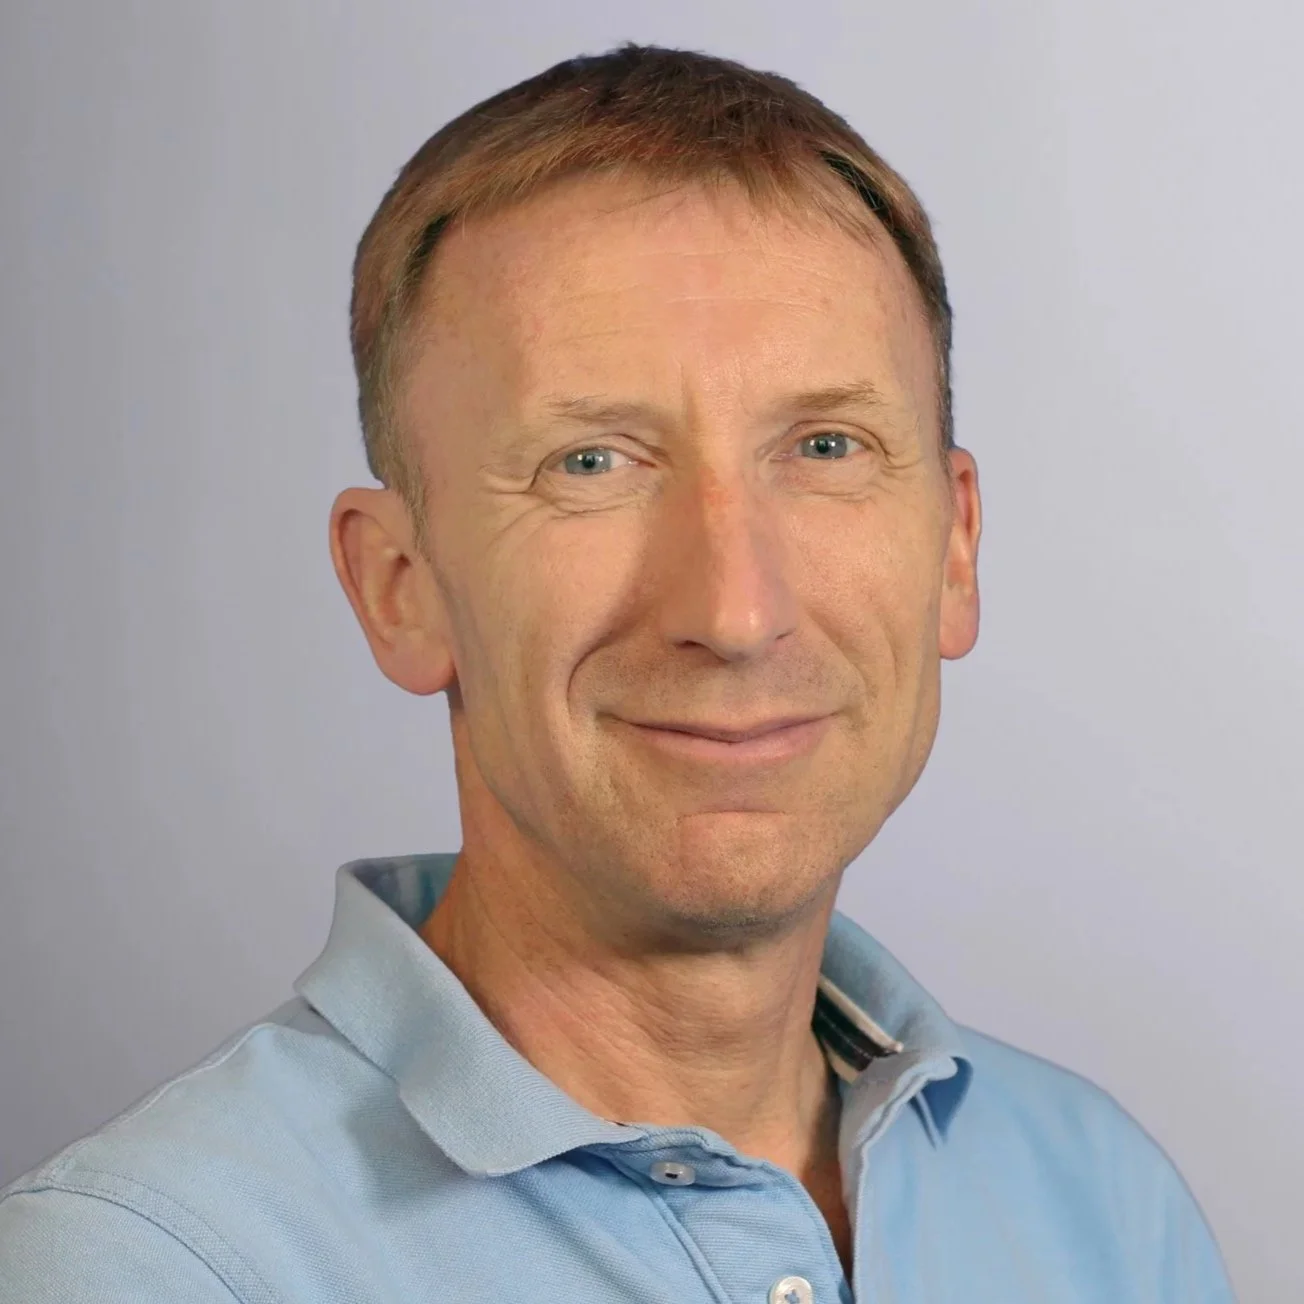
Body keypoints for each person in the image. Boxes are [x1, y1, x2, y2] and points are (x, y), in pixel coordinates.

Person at [0, 43, 1235, 1303]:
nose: (736, 612)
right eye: (590, 462)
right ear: (399, 585)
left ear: (953, 549)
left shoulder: (1101, 1203)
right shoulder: (145, 1268)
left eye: (825, 446)